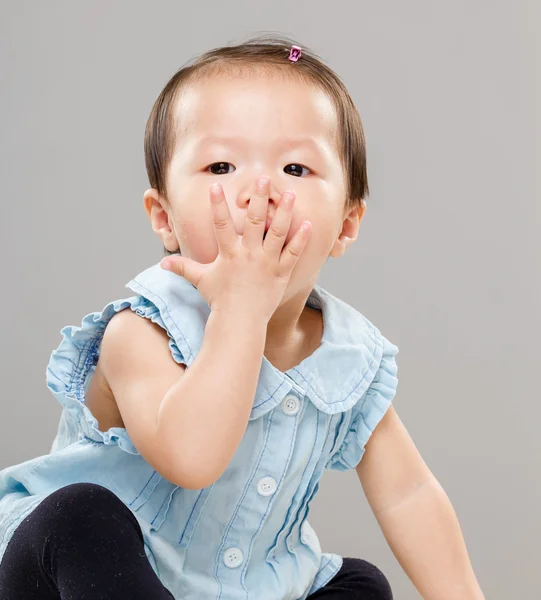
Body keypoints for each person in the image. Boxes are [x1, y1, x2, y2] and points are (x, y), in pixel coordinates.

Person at [0, 33, 485, 600]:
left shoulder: (348, 359)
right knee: (80, 517)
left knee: (360, 585)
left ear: (347, 223)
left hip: (239, 589)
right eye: (222, 165)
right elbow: (192, 457)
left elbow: (409, 495)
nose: (261, 191)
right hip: (74, 576)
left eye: (297, 168)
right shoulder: (141, 332)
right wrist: (240, 312)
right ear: (164, 217)